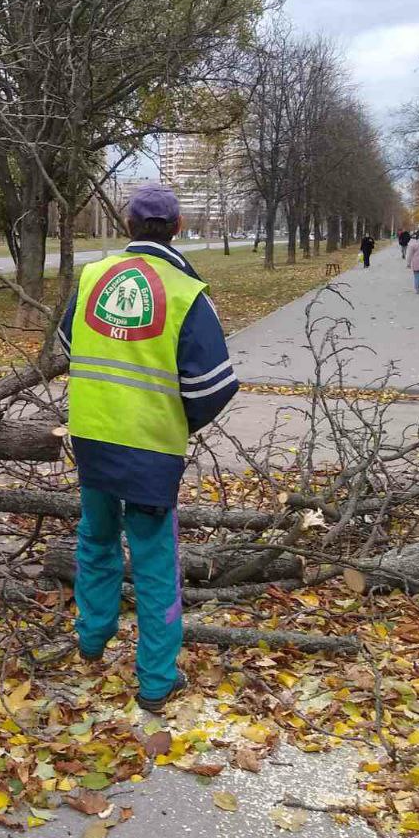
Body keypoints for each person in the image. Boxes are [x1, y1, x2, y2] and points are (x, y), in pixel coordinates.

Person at [58, 185, 239, 713]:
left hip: (92, 437)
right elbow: (212, 387)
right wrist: (176, 422)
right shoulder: (186, 293)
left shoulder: (93, 279)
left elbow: (71, 346)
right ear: (178, 226)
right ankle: (156, 682)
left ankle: (91, 640)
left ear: (127, 224)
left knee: (94, 540)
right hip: (150, 453)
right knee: (156, 560)